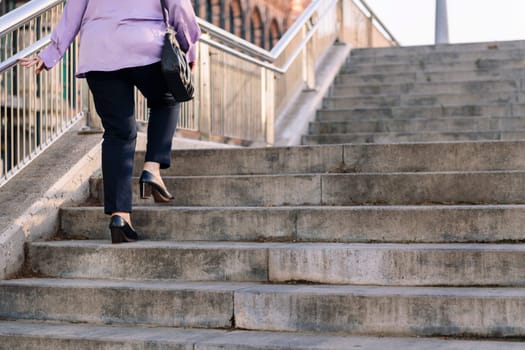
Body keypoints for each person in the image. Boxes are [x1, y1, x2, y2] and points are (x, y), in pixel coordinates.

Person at [19, 0, 201, 244]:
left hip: (99, 52)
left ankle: (120, 217)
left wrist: (51, 54)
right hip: (145, 47)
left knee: (118, 133)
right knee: (167, 99)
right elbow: (179, 6)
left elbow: (72, 12)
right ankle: (152, 169)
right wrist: (190, 47)